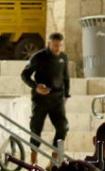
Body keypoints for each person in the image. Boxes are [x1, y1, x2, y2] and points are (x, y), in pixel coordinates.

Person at [20, 33, 70, 163]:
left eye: (59, 46)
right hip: (41, 98)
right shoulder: (38, 56)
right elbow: (25, 74)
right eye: (55, 45)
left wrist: (66, 95)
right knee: (36, 128)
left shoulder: (63, 58)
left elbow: (66, 77)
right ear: (49, 44)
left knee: (62, 127)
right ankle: (33, 159)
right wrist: (35, 87)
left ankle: (53, 160)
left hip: (57, 99)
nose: (57, 48)